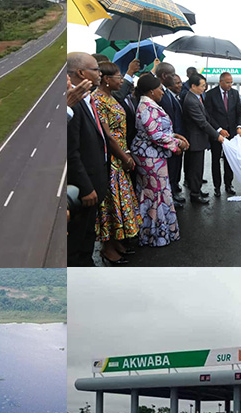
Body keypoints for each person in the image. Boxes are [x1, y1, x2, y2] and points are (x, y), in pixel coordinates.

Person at [92, 62, 143, 264]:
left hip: (120, 156)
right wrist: (124, 156)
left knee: (120, 202)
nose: (122, 80)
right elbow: (107, 135)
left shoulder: (110, 96)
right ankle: (107, 248)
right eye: (119, 77)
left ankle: (117, 241)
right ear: (106, 79)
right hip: (111, 158)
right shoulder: (98, 99)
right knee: (110, 203)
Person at [130, 73, 187, 247]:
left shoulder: (150, 104)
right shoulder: (146, 107)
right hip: (149, 156)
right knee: (155, 194)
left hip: (153, 155)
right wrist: (177, 144)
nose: (162, 92)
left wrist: (174, 136)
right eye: (159, 89)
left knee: (157, 192)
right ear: (151, 91)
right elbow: (155, 134)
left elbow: (158, 130)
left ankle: (156, 233)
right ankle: (154, 236)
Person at [67, 53, 109, 266]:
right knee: (77, 243)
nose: (100, 73)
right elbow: (71, 152)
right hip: (85, 189)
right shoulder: (71, 105)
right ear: (81, 73)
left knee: (88, 236)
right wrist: (85, 188)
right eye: (96, 69)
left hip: (94, 183)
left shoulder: (86, 100)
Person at [182, 73, 226, 204]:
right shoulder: (191, 101)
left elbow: (207, 117)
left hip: (199, 139)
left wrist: (218, 130)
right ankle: (195, 195)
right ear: (193, 86)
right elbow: (202, 122)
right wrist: (217, 136)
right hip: (195, 139)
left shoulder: (198, 97)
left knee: (197, 168)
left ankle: (197, 189)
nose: (204, 88)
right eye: (202, 86)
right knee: (196, 168)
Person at [204, 72, 241, 197]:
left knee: (229, 160)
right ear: (220, 81)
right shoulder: (210, 94)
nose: (230, 85)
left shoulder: (235, 94)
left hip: (231, 133)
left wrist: (239, 127)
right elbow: (208, 115)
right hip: (217, 134)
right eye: (227, 82)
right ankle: (217, 186)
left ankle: (228, 184)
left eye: (231, 82)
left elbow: (239, 112)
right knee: (216, 160)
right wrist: (219, 129)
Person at [154, 62, 186, 207]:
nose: (174, 78)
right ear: (164, 75)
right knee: (168, 171)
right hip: (167, 140)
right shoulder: (158, 94)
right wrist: (172, 141)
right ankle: (169, 199)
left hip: (174, 138)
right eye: (172, 75)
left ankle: (172, 194)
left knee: (173, 170)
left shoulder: (167, 93)